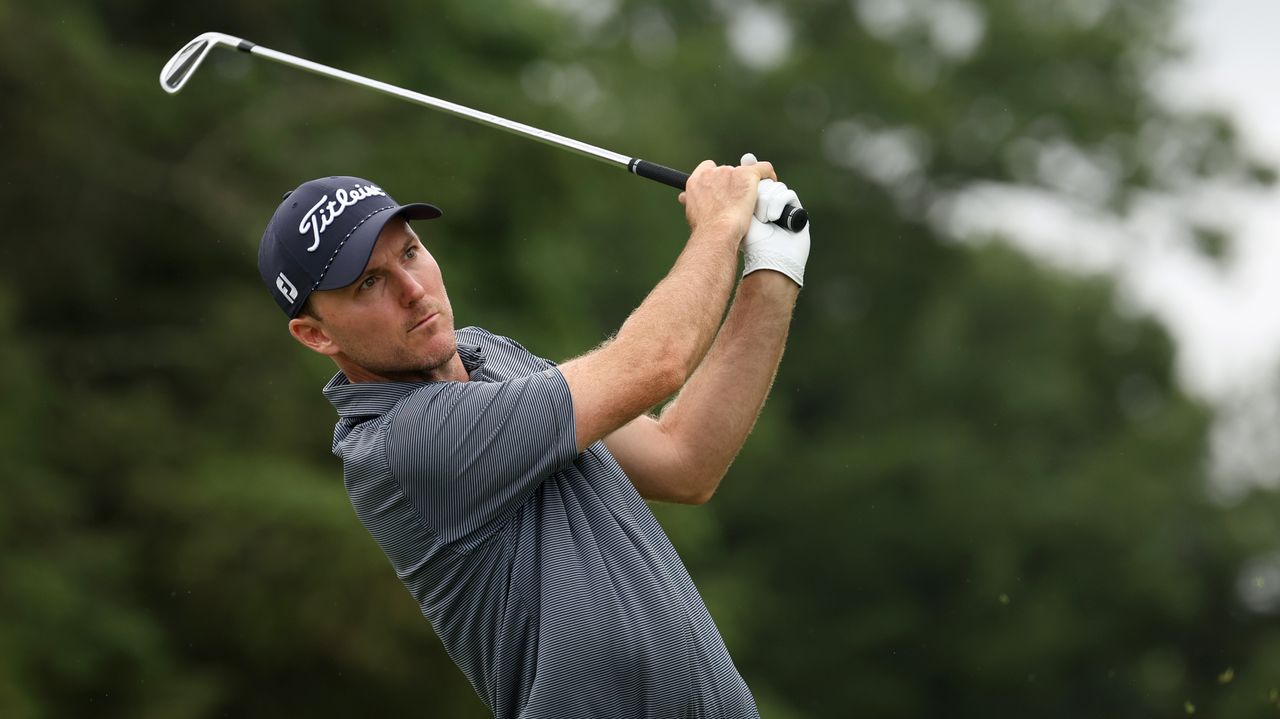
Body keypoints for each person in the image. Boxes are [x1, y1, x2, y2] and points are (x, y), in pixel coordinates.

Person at [257, 154, 811, 718]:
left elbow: (683, 460)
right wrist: (721, 224)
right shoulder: (399, 444)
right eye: (369, 283)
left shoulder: (488, 352)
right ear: (315, 334)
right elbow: (654, 364)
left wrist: (773, 268)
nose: (413, 290)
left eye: (410, 253)